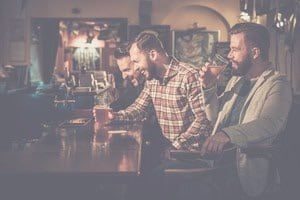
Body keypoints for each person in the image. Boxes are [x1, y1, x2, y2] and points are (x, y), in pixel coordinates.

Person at [199, 22, 292, 198]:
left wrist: (226, 134)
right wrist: (209, 87)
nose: (229, 55)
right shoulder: (237, 81)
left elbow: (269, 124)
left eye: (235, 49)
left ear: (255, 52)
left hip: (244, 174)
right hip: (217, 168)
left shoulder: (278, 83)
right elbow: (214, 119)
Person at [108, 30, 212, 151]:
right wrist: (114, 117)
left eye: (136, 61)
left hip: (190, 153)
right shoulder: (152, 79)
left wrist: (175, 146)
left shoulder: (188, 75)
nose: (135, 67)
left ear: (153, 55)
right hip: (170, 148)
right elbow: (139, 108)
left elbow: (203, 120)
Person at [109, 43, 145, 111]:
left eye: (127, 70)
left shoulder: (151, 84)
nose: (123, 76)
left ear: (138, 64)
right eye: (122, 71)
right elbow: (125, 101)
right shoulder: (132, 84)